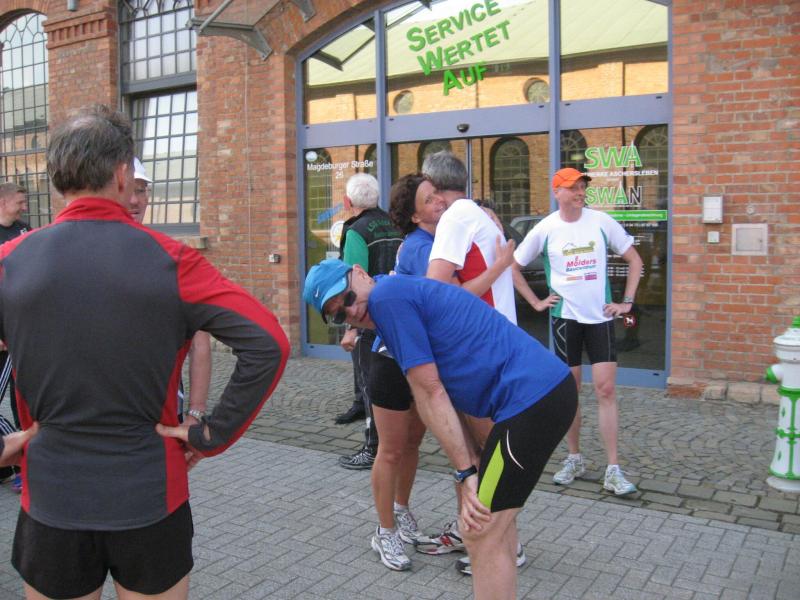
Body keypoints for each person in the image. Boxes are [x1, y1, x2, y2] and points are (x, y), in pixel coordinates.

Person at [2, 104, 290, 600]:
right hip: (151, 491)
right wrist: (211, 433)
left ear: (57, 177)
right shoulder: (172, 260)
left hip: (52, 493)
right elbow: (268, 343)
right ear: (121, 174)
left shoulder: (10, 262)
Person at [303, 259, 577, 600]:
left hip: (531, 401)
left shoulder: (387, 298)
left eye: (347, 297)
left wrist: (466, 472)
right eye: (340, 315)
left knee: (479, 530)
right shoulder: (392, 301)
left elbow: (429, 390)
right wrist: (471, 460)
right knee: (495, 530)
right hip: (537, 398)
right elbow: (444, 393)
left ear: (360, 273)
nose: (352, 311)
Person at [513, 167, 644, 496]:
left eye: (583, 186)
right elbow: (513, 267)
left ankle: (613, 469)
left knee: (605, 390)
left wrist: (627, 302)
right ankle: (574, 458)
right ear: (557, 191)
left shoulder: (601, 221)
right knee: (570, 393)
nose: (580, 192)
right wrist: (535, 302)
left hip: (600, 318)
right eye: (573, 187)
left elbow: (635, 260)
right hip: (565, 320)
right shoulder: (546, 228)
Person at [130, 158, 212, 425]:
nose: (135, 200)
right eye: (127, 189)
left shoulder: (172, 259)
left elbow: (200, 341)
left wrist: (196, 413)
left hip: (162, 413)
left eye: (141, 190)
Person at [336, 173, 403, 470]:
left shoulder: (356, 231)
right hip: (397, 312)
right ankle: (395, 442)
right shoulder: (395, 223)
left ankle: (373, 447)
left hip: (369, 317)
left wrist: (352, 328)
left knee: (370, 383)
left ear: (347, 201)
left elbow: (353, 280)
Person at [0, 182, 29, 493]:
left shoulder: (25, 232)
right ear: (2, 202)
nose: (24, 207)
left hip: (15, 335)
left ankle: (20, 465)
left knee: (19, 395)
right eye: (19, 201)